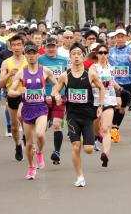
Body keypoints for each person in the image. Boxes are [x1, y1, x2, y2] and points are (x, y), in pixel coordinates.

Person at [54, 43, 105, 187]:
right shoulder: (65, 75)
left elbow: (101, 88)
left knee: (88, 149)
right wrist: (57, 96)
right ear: (70, 57)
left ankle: (91, 137)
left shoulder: (90, 73)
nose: (76, 56)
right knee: (76, 146)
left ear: (83, 56)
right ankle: (80, 176)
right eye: (73, 54)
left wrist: (100, 105)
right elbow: (55, 90)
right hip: (72, 115)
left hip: (88, 115)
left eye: (79, 54)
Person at [9, 42, 57, 180]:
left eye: (33, 53)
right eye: (28, 53)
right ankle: (31, 167)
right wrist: (19, 92)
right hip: (27, 110)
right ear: (25, 55)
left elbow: (56, 84)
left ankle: (40, 152)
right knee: (29, 144)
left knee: (40, 133)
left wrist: (52, 95)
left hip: (41, 108)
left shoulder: (45, 70)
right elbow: (10, 91)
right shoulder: (21, 72)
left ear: (37, 55)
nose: (31, 56)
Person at [90, 44, 122, 167]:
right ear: (97, 55)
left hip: (109, 101)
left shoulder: (111, 68)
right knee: (96, 129)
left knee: (106, 128)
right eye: (101, 53)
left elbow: (113, 82)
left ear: (107, 54)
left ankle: (105, 154)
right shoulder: (93, 68)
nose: (103, 55)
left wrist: (119, 91)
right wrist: (101, 84)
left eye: (105, 53)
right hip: (95, 102)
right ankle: (98, 136)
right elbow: (90, 83)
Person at [38, 37, 68, 165]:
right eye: (48, 46)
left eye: (53, 46)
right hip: (43, 98)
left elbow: (68, 78)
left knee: (56, 124)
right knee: (41, 129)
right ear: (44, 47)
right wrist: (44, 95)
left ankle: (57, 152)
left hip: (59, 97)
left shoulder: (64, 61)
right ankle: (38, 151)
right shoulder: (39, 60)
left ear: (57, 47)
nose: (51, 49)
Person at [109, 29, 131, 143]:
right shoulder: (110, 51)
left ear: (126, 38)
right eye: (118, 36)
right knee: (117, 105)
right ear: (115, 38)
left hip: (127, 82)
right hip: (114, 83)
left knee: (122, 109)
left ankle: (116, 128)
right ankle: (113, 128)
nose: (120, 38)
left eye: (122, 36)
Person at [0, 35, 28, 161]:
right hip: (12, 95)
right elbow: (0, 83)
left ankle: (27, 139)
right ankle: (17, 145)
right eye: (14, 45)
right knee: (15, 127)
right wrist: (9, 74)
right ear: (10, 47)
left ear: (23, 46)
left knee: (25, 122)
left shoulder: (29, 60)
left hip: (27, 95)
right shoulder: (6, 62)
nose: (16, 47)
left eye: (19, 45)